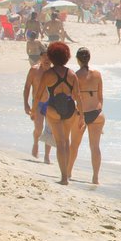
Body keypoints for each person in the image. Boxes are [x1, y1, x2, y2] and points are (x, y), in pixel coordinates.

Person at [35, 41, 82, 185]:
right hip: (69, 108)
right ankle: (66, 175)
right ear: (66, 56)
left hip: (53, 107)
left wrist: (34, 111)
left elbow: (38, 95)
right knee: (66, 141)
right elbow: (78, 97)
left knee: (60, 142)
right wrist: (83, 116)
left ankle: (63, 177)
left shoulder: (48, 74)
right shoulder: (72, 74)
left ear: (52, 56)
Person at [69, 47, 105, 185]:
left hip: (80, 114)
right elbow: (100, 97)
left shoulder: (75, 75)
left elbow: (73, 96)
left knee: (74, 145)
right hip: (97, 113)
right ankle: (95, 178)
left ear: (77, 59)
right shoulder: (97, 74)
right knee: (95, 147)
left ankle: (68, 172)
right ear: (89, 58)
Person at [23, 48, 53, 164]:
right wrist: (26, 104)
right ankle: (35, 143)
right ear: (40, 58)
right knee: (39, 128)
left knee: (49, 131)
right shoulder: (34, 70)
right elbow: (26, 87)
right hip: (38, 103)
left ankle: (46, 156)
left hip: (50, 104)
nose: (46, 59)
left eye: (49, 57)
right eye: (44, 57)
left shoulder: (54, 71)